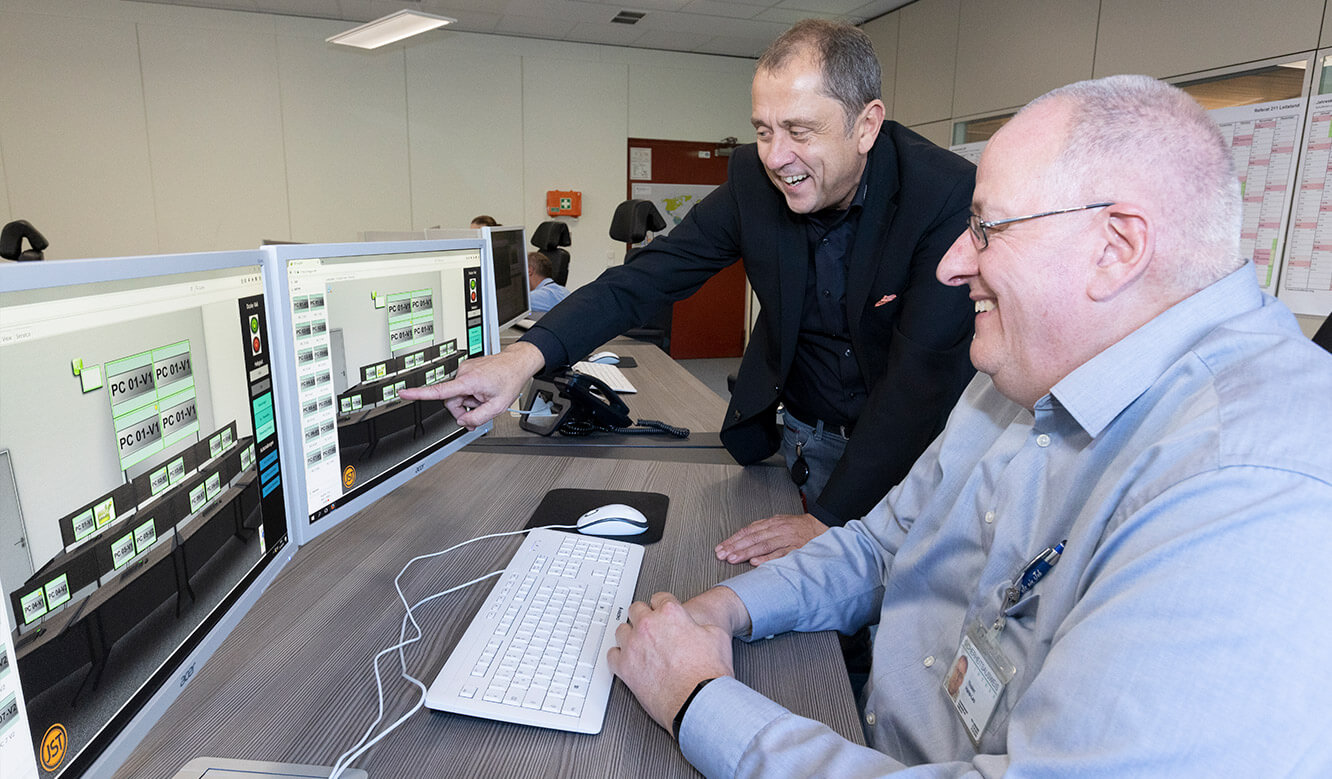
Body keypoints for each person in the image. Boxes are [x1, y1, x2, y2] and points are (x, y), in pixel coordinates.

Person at [605, 74, 1332, 775]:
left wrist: (699, 700)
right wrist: (722, 610)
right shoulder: (1019, 375)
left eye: (986, 228)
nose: (952, 265)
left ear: (1116, 247)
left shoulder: (1253, 486)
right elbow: (877, 547)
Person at [401, 20, 977, 564]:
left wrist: (829, 519)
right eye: (763, 129)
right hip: (800, 433)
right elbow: (642, 280)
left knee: (884, 608)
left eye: (800, 131)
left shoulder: (944, 196)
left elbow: (918, 384)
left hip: (906, 447)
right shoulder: (754, 180)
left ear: (867, 125)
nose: (776, 157)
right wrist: (520, 361)